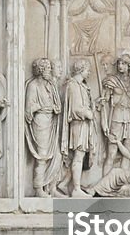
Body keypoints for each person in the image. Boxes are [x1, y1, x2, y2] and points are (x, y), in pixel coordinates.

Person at [99, 51, 130, 173]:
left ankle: (121, 183)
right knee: (112, 153)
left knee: (127, 153)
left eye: (124, 63)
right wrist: (104, 122)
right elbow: (104, 102)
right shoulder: (112, 81)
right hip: (116, 117)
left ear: (129, 66)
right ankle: (105, 184)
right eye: (119, 63)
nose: (120, 66)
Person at [24, 57, 62, 197]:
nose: (49, 71)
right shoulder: (33, 85)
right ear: (41, 70)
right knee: (42, 156)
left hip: (51, 120)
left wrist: (55, 107)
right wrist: (43, 106)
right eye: (47, 69)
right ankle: (38, 188)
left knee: (57, 155)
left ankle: (52, 187)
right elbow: (29, 108)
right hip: (40, 121)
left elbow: (57, 103)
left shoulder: (49, 85)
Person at [60, 59, 95, 198]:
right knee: (79, 156)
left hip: (83, 124)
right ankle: (76, 189)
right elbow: (74, 108)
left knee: (79, 156)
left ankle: (64, 184)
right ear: (81, 70)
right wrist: (87, 113)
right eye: (87, 70)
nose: (89, 72)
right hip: (78, 124)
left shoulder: (82, 86)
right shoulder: (73, 86)